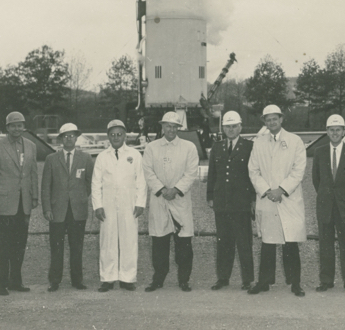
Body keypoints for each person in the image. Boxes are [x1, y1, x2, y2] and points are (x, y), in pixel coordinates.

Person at [247, 105, 307, 297]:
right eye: (268, 119)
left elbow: (298, 170)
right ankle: (264, 282)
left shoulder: (295, 141)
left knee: (290, 242)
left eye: (275, 118)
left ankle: (295, 283)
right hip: (267, 199)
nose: (271, 122)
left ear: (281, 119)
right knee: (268, 243)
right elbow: (253, 170)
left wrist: (281, 190)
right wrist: (266, 190)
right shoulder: (259, 142)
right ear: (264, 122)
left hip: (287, 199)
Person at [143, 111, 199, 292]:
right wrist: (161, 190)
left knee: (183, 243)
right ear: (162, 126)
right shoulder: (151, 147)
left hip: (180, 200)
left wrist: (175, 190)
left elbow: (191, 173)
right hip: (160, 200)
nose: (171, 129)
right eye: (168, 126)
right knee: (159, 242)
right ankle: (158, 279)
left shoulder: (189, 147)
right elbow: (148, 172)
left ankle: (184, 279)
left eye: (175, 126)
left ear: (178, 128)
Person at [0, 111, 38, 296]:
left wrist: (34, 197)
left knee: (20, 244)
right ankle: (0, 282)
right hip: (4, 205)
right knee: (3, 244)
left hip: (23, 205)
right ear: (7, 127)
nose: (17, 128)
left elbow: (33, 173)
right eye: (13, 125)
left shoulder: (31, 146)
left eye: (20, 125)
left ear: (24, 127)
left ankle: (16, 281)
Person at [91, 119, 145, 292]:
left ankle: (127, 278)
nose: (116, 137)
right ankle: (108, 277)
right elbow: (95, 183)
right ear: (108, 136)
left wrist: (140, 203)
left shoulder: (134, 155)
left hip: (128, 203)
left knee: (129, 239)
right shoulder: (101, 157)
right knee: (108, 240)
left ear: (125, 135)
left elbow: (141, 181)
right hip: (107, 204)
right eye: (112, 134)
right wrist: (97, 206)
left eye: (119, 134)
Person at [312, 114, 345, 294]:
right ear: (327, 131)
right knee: (325, 245)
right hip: (326, 207)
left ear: (343, 131)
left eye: (338, 130)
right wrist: (327, 197)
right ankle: (326, 280)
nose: (335, 133)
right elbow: (316, 180)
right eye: (331, 130)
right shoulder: (319, 152)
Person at [41, 123, 94, 292]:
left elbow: (90, 183)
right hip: (57, 210)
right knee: (56, 246)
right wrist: (47, 208)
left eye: (72, 136)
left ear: (77, 137)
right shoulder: (51, 159)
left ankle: (77, 280)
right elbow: (46, 186)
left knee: (76, 246)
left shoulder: (85, 158)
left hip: (78, 210)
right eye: (65, 136)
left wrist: (79, 198)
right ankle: (54, 280)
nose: (69, 139)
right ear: (61, 139)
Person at [207, 110, 255, 291]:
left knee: (244, 242)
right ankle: (223, 277)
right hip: (222, 202)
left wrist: (252, 199)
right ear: (223, 128)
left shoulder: (249, 147)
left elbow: (252, 175)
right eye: (228, 126)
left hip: (241, 202)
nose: (231, 129)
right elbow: (213, 174)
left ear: (240, 127)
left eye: (234, 126)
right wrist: (210, 196)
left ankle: (247, 279)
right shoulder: (217, 147)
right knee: (223, 242)